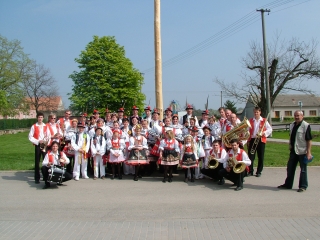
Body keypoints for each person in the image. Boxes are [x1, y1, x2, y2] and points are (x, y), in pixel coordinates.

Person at [278, 110, 313, 192]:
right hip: (293, 150)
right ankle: (288, 184)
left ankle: (303, 186)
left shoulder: (306, 125)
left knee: (303, 169)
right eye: (295, 115)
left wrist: (309, 152)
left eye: (298, 115)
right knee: (290, 168)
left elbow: (309, 140)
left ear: (302, 116)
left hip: (302, 151)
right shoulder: (292, 125)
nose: (297, 117)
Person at [247, 107, 273, 177]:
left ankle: (259, 171)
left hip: (261, 140)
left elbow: (270, 129)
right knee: (251, 156)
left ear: (260, 112)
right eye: (255, 112)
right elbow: (247, 129)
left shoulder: (264, 120)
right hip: (252, 139)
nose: (256, 113)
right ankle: (250, 171)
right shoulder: (251, 120)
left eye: (257, 112)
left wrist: (263, 133)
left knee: (260, 156)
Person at [28, 112, 51, 184]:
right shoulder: (34, 126)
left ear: (43, 118)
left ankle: (45, 176)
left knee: (45, 162)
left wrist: (47, 142)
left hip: (44, 145)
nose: (40, 119)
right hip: (38, 145)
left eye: (41, 117)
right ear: (37, 118)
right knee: (37, 162)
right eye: (39, 117)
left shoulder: (46, 126)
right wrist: (38, 141)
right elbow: (30, 136)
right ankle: (37, 178)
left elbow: (49, 135)